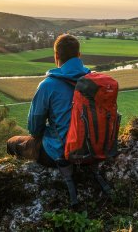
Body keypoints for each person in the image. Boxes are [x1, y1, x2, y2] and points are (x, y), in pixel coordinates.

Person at [6, 33, 89, 168]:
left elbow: (34, 129)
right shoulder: (93, 80)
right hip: (92, 147)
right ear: (79, 55)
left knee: (11, 142)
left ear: (56, 56)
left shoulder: (48, 85)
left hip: (59, 153)